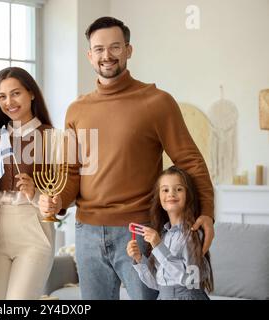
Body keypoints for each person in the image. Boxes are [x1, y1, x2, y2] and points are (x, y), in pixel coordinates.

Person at [38, 16, 215, 300]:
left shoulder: (157, 102)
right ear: (89, 55)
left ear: (128, 50)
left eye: (115, 47)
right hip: (86, 233)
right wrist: (59, 201)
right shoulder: (76, 110)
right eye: (98, 49)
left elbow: (190, 160)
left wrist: (206, 212)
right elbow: (72, 173)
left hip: (139, 231)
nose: (106, 56)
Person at [0, 67, 55, 299]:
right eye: (2, 96)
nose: (9, 102)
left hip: (33, 231)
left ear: (31, 93)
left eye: (15, 93)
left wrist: (36, 193)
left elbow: (65, 193)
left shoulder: (52, 137)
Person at [126, 166, 214, 300]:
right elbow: (157, 283)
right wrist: (139, 259)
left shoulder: (192, 234)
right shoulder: (164, 235)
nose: (171, 194)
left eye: (178, 189)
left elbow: (191, 280)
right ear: (159, 197)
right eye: (165, 190)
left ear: (188, 195)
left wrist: (158, 246)